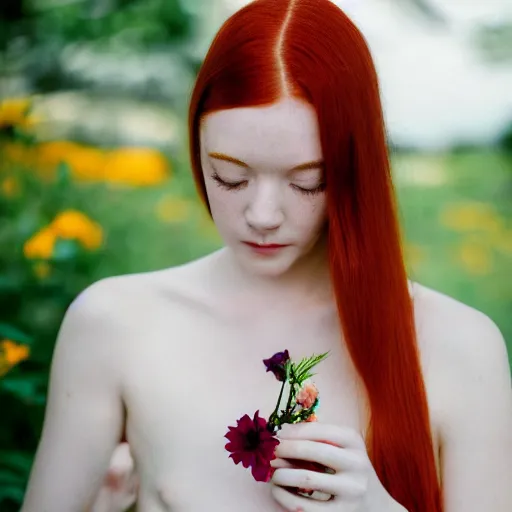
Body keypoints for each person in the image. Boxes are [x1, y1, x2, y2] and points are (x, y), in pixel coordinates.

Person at [20, 0, 512, 511]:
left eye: (307, 183)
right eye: (230, 177)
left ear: (353, 169)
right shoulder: (117, 323)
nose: (262, 214)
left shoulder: (461, 347)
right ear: (195, 148)